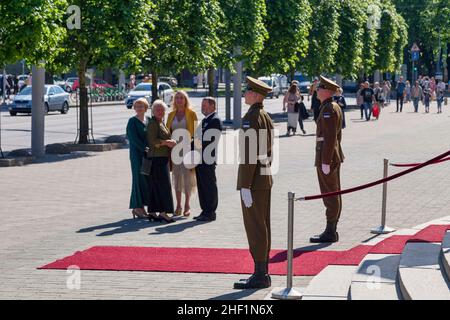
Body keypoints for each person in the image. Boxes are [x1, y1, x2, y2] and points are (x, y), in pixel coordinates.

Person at [234, 76, 274, 290]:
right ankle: (262, 271)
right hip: (263, 177)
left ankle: (260, 274)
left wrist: (246, 185)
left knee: (256, 227)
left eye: (248, 90)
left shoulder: (251, 117)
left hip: (254, 180)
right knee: (262, 225)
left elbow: (250, 154)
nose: (245, 93)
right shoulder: (264, 116)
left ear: (257, 94)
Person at [310, 76, 344, 243]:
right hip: (330, 155)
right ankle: (331, 229)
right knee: (332, 192)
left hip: (327, 156)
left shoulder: (329, 109)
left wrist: (326, 160)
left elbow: (330, 137)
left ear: (327, 91)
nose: (317, 90)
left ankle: (331, 231)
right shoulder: (331, 106)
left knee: (330, 194)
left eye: (320, 88)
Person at [167, 90, 198, 217]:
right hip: (174, 151)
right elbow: (167, 132)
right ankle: (178, 205)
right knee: (177, 178)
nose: (179, 100)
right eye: (177, 98)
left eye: (181, 98)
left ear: (185, 100)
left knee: (188, 178)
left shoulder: (192, 114)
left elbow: (196, 134)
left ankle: (187, 205)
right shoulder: (170, 115)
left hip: (188, 150)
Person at [146, 100, 177, 223]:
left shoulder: (161, 122)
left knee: (155, 186)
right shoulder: (153, 123)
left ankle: (152, 212)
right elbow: (152, 140)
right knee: (164, 186)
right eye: (157, 109)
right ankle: (163, 213)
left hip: (161, 157)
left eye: (162, 109)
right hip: (157, 158)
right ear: (153, 111)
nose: (160, 111)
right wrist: (167, 142)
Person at [193, 97, 223, 222]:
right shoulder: (205, 120)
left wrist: (191, 144)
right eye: (202, 105)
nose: (202, 107)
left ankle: (210, 212)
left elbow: (208, 140)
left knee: (209, 186)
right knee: (202, 186)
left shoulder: (215, 120)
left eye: (205, 105)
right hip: (200, 159)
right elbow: (196, 136)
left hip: (207, 158)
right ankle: (205, 210)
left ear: (212, 106)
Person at [126, 98, 151, 219]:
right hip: (137, 155)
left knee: (145, 179)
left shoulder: (149, 120)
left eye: (142, 106)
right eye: (137, 106)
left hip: (148, 155)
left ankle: (142, 206)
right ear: (134, 108)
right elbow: (132, 138)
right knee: (138, 179)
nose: (140, 108)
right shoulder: (132, 121)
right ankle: (136, 207)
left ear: (146, 108)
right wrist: (144, 148)